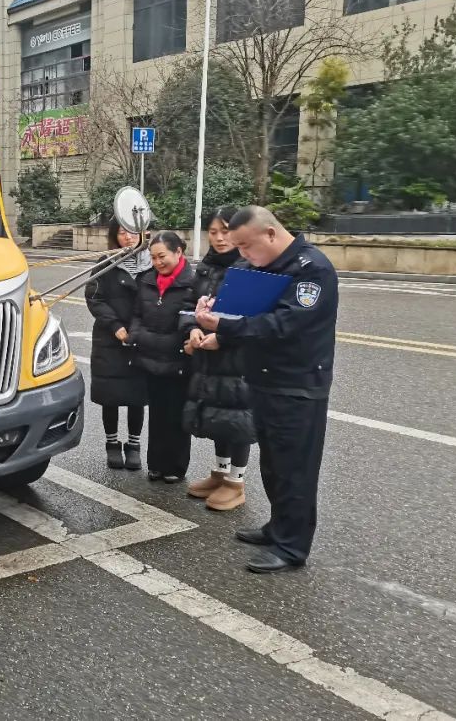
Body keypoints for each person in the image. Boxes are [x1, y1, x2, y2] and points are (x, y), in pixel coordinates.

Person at [195, 205, 338, 574]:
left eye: (246, 245)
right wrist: (215, 308)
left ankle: (292, 547)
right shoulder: (263, 266)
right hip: (264, 379)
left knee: (295, 468)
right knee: (274, 464)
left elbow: (283, 324)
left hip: (297, 385)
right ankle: (278, 528)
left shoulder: (312, 270)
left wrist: (223, 327)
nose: (242, 253)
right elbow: (241, 309)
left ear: (270, 234)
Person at [183, 207, 256, 511]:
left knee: (237, 417)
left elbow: (253, 317)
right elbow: (189, 305)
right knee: (217, 414)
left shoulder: (249, 267)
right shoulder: (206, 267)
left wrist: (222, 338)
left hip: (237, 356)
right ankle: (220, 472)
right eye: (213, 232)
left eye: (225, 231)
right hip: (208, 355)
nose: (219, 238)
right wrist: (191, 330)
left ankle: (236, 482)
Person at [129, 231, 197, 483]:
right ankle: (156, 464)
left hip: (179, 360)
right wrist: (136, 334)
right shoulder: (147, 280)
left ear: (178, 252)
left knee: (176, 415)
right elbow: (137, 314)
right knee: (157, 414)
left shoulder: (192, 283)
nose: (157, 262)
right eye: (153, 257)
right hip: (150, 358)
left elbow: (193, 319)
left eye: (162, 256)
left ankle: (175, 467)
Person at [85, 219, 152, 470]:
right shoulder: (106, 262)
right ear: (115, 236)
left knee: (137, 396)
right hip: (109, 339)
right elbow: (94, 297)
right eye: (122, 232)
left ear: (142, 234)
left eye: (132, 232)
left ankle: (134, 445)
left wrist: (137, 330)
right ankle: (111, 443)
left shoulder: (151, 263)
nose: (128, 237)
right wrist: (115, 326)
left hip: (140, 338)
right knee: (110, 395)